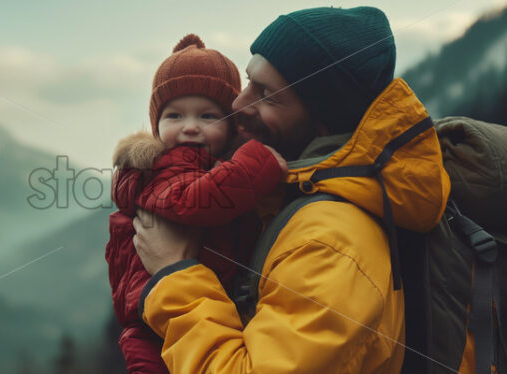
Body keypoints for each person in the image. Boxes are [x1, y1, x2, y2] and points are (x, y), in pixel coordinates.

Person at [133, 6, 454, 373]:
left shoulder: (331, 244)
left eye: (266, 95)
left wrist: (174, 273)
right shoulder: (291, 195)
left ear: (322, 120)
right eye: (248, 81)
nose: (237, 105)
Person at [105, 34, 288, 373]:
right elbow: (196, 202)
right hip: (152, 321)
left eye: (208, 116)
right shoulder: (163, 165)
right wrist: (257, 161)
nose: (190, 127)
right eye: (174, 116)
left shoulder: (209, 167)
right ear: (156, 125)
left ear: (233, 124)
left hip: (181, 310)